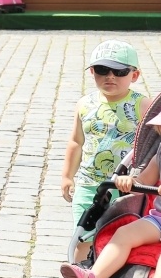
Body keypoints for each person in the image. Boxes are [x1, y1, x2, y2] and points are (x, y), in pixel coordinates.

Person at [60, 41, 144, 266]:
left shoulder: (141, 105)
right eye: (102, 70)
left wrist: (142, 177)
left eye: (120, 71)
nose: (110, 76)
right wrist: (67, 175)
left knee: (119, 237)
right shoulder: (85, 104)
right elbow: (76, 142)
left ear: (134, 75)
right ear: (91, 72)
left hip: (126, 187)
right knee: (83, 238)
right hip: (89, 185)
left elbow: (153, 143)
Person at [61, 127, 161, 278]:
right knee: (123, 234)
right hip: (159, 218)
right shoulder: (160, 153)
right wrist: (131, 182)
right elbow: (144, 181)